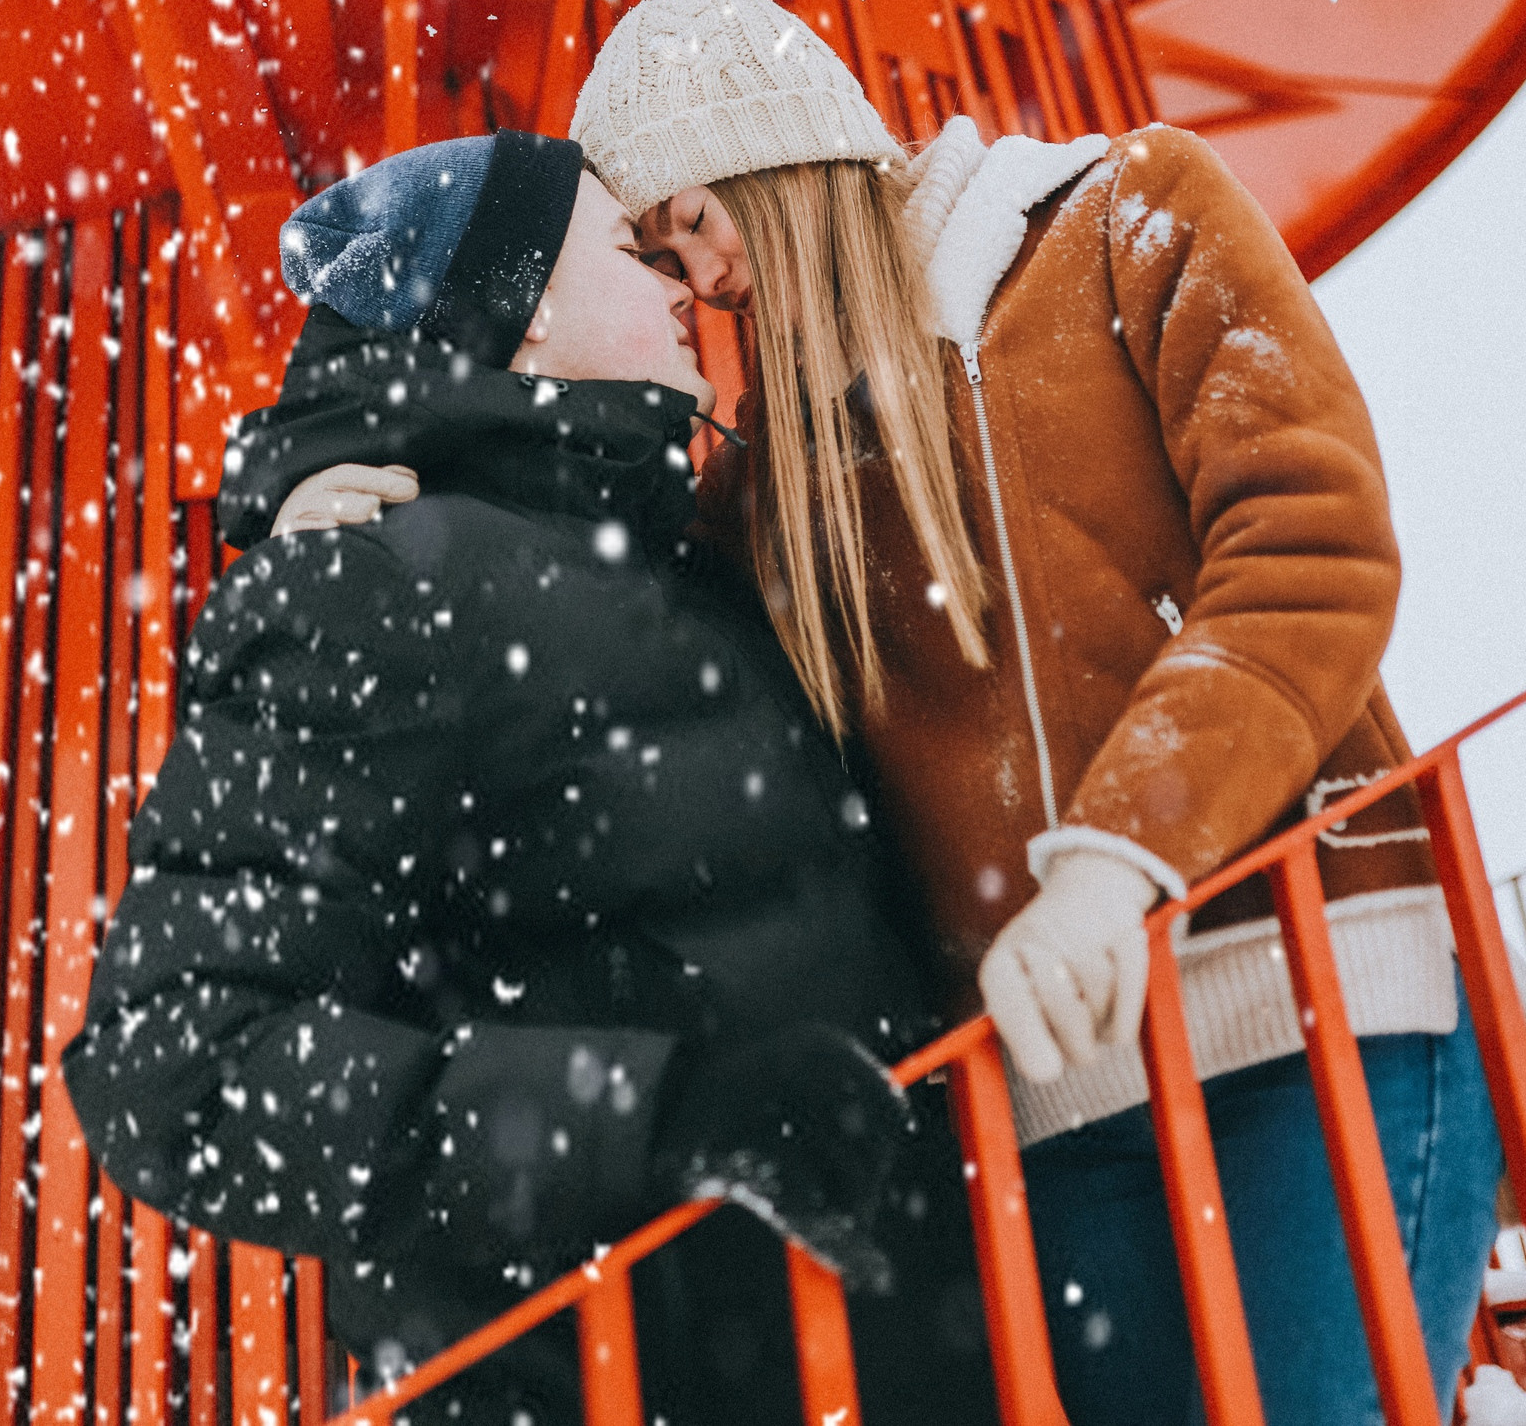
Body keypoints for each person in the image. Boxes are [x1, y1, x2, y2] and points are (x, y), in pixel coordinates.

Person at [270, 0, 1526, 1426]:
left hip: (1315, 1002)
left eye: (692, 218)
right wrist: (365, 505)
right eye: (654, 251)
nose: (695, 280)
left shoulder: (1131, 218)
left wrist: (1120, 858)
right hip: (1055, 1097)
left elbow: (1310, 550)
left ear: (771, 153)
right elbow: (587, 616)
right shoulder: (765, 491)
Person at [63, 127, 995, 1426]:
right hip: (623, 1377)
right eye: (628, 246)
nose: (681, 278)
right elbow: (178, 1067)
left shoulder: (696, 559)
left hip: (904, 1344)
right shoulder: (374, 584)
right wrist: (664, 1118)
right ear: (514, 314)